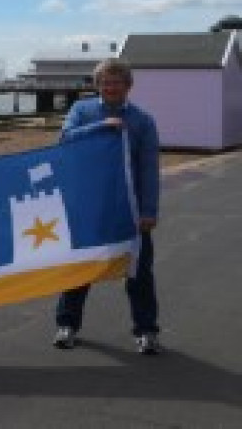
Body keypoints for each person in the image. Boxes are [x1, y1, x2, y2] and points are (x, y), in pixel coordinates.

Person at [52, 58, 162, 355]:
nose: (110, 87)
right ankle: (67, 325)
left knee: (138, 272)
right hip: (88, 207)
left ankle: (146, 330)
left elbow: (149, 169)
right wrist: (102, 127)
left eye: (117, 82)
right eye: (105, 82)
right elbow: (64, 140)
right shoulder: (81, 111)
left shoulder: (143, 120)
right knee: (80, 270)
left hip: (129, 209)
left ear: (128, 86)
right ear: (97, 85)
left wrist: (149, 211)